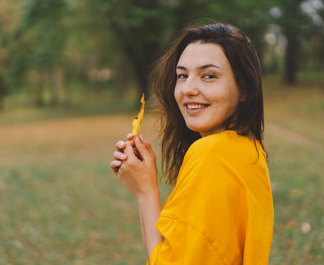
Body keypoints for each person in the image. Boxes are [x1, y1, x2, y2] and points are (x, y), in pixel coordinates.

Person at [110, 23, 274, 264]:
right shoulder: (249, 150)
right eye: (182, 76)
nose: (188, 89)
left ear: (244, 89)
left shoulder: (211, 154)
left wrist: (145, 191)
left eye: (209, 76)